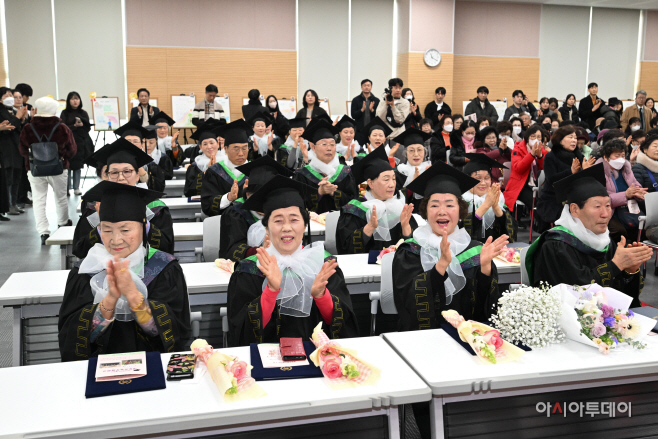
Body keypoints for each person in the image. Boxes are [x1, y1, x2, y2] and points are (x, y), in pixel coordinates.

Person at [59, 181, 191, 361]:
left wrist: (136, 300)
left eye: (125, 229)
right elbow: (69, 337)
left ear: (143, 226)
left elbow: (178, 335)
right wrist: (109, 301)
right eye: (106, 230)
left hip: (153, 366)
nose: (115, 239)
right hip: (95, 369)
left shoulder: (165, 268)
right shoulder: (84, 271)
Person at [227, 176, 359, 346]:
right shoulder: (249, 270)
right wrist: (271, 290)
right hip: (266, 360)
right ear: (266, 227)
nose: (287, 227)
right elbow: (241, 331)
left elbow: (344, 327)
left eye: (294, 220)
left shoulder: (322, 265)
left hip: (318, 358)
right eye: (278, 220)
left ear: (305, 225)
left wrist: (321, 296)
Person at [393, 160, 507, 331]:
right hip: (423, 340)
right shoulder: (409, 251)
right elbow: (406, 303)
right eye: (434, 205)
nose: (442, 211)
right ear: (425, 212)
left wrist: (485, 270)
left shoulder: (475, 250)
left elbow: (484, 310)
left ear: (460, 211)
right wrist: (439, 268)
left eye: (449, 205)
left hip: (466, 339)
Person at [527, 164, 651, 308]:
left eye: (608, 206)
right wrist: (616, 265)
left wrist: (629, 270)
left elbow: (615, 293)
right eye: (597, 207)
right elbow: (576, 294)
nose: (605, 214)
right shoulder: (556, 244)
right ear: (574, 210)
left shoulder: (605, 241)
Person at [72, 139, 175, 258]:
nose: (120, 178)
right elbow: (80, 250)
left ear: (137, 175)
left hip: (147, 272)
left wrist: (143, 223)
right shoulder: (95, 207)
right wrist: (102, 225)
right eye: (114, 173)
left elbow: (167, 248)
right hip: (104, 270)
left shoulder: (155, 208)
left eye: (127, 171)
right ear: (107, 175)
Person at [336, 146, 416, 254]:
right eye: (386, 179)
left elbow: (414, 248)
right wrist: (369, 227)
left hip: (396, 266)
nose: (392, 184)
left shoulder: (399, 207)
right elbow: (345, 248)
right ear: (370, 183)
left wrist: (405, 227)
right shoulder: (354, 209)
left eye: (393, 179)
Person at [18, 97, 75, 244]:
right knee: (61, 198)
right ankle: (62, 225)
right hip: (59, 168)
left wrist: (34, 159)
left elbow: (23, 150)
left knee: (38, 200)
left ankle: (43, 232)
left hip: (35, 169)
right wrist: (61, 157)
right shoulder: (62, 128)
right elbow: (72, 150)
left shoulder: (28, 128)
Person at [219, 156, 293, 262]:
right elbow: (231, 250)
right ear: (248, 195)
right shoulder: (236, 213)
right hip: (245, 271)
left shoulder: (285, 211)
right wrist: (260, 251)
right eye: (259, 197)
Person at [293, 119, 357, 213]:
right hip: (313, 225)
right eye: (324, 144)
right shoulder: (303, 174)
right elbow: (297, 203)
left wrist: (334, 193)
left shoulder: (345, 171)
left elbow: (354, 202)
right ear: (314, 147)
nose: (329, 148)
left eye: (332, 144)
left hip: (342, 224)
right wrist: (319, 193)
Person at [536, 126, 595, 226]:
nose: (574, 140)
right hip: (555, 199)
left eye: (575, 138)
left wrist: (586, 171)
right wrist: (571, 171)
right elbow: (552, 180)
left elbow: (584, 182)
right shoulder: (551, 157)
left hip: (577, 197)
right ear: (560, 140)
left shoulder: (579, 156)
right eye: (570, 137)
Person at [596, 139, 646, 243]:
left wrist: (638, 192)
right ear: (606, 157)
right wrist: (625, 195)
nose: (621, 159)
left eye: (623, 156)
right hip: (608, 212)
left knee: (643, 227)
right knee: (619, 231)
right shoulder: (599, 172)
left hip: (628, 208)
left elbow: (635, 184)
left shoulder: (626, 169)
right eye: (616, 155)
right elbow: (600, 199)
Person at [461, 153, 516, 242]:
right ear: (467, 180)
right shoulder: (461, 201)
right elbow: (462, 231)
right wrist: (486, 204)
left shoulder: (497, 197)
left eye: (487, 178)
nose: (483, 183)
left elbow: (509, 232)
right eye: (478, 178)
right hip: (471, 251)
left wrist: (495, 206)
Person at [201, 119, 250, 216]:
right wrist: (228, 197)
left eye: (244, 148)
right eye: (236, 149)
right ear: (226, 149)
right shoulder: (214, 172)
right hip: (223, 224)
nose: (241, 153)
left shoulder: (255, 171)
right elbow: (207, 205)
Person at [504, 125, 549, 214]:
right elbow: (518, 168)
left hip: (538, 185)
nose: (536, 139)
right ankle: (538, 226)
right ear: (527, 138)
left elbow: (544, 169)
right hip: (521, 186)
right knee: (537, 205)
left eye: (538, 137)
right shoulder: (517, 149)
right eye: (533, 136)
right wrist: (531, 154)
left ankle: (543, 226)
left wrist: (540, 156)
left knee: (548, 202)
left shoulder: (542, 150)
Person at [60, 92, 93, 196]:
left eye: (77, 99)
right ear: (68, 101)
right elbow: (62, 128)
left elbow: (88, 128)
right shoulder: (64, 113)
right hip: (68, 142)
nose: (75, 101)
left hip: (80, 142)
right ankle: (67, 188)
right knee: (68, 166)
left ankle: (76, 187)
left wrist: (82, 125)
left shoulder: (83, 113)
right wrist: (74, 126)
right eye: (73, 99)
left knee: (78, 166)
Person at [1, 87, 28, 215]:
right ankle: (8, 205)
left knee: (17, 177)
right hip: (6, 148)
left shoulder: (12, 110)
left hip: (16, 147)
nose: (10, 98)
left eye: (11, 95)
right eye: (6, 96)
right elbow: (9, 127)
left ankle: (14, 203)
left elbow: (17, 127)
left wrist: (21, 119)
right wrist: (17, 117)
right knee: (9, 178)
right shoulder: (2, 111)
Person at [394, 128, 432, 212]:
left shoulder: (430, 170)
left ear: (425, 153)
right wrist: (412, 185)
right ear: (405, 153)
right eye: (411, 150)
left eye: (419, 150)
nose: (416, 154)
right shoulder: (399, 172)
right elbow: (395, 199)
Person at [183, 121, 222, 198]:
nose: (209, 147)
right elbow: (188, 192)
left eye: (211, 143)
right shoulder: (195, 166)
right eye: (205, 144)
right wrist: (206, 173)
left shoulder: (227, 162)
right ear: (200, 147)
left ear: (218, 144)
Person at [143, 126, 173, 191]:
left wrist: (152, 165)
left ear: (156, 142)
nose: (147, 145)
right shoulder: (137, 157)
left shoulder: (162, 157)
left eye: (151, 142)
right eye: (144, 142)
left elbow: (168, 176)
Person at [351, 79, 380, 144]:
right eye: (364, 85)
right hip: (360, 131)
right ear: (361, 87)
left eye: (368, 85)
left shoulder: (376, 100)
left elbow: (379, 116)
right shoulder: (356, 100)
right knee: (359, 151)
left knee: (372, 151)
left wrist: (372, 110)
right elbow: (353, 115)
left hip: (373, 131)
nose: (366, 87)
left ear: (371, 87)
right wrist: (361, 110)